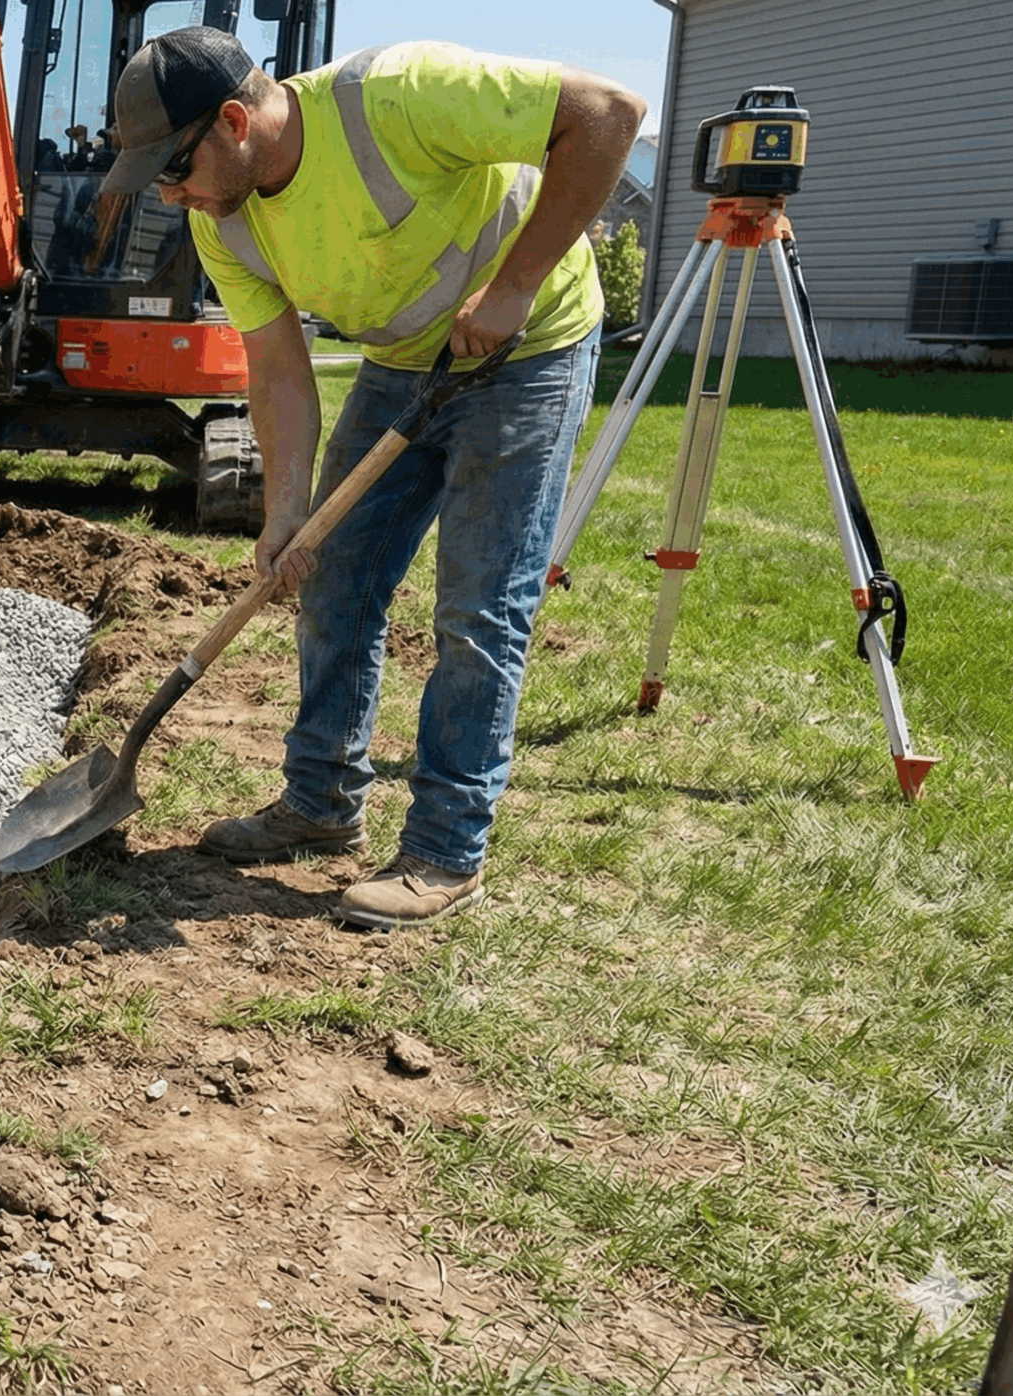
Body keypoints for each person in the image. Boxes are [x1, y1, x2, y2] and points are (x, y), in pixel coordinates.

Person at [97, 28, 645, 929]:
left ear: (234, 122)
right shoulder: (221, 218)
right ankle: (320, 803)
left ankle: (445, 852)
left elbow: (607, 114)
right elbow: (275, 370)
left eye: (174, 168)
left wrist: (512, 289)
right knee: (334, 572)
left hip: (527, 348)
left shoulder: (395, 97)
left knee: (479, 606)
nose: (169, 194)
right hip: (404, 361)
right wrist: (284, 515)